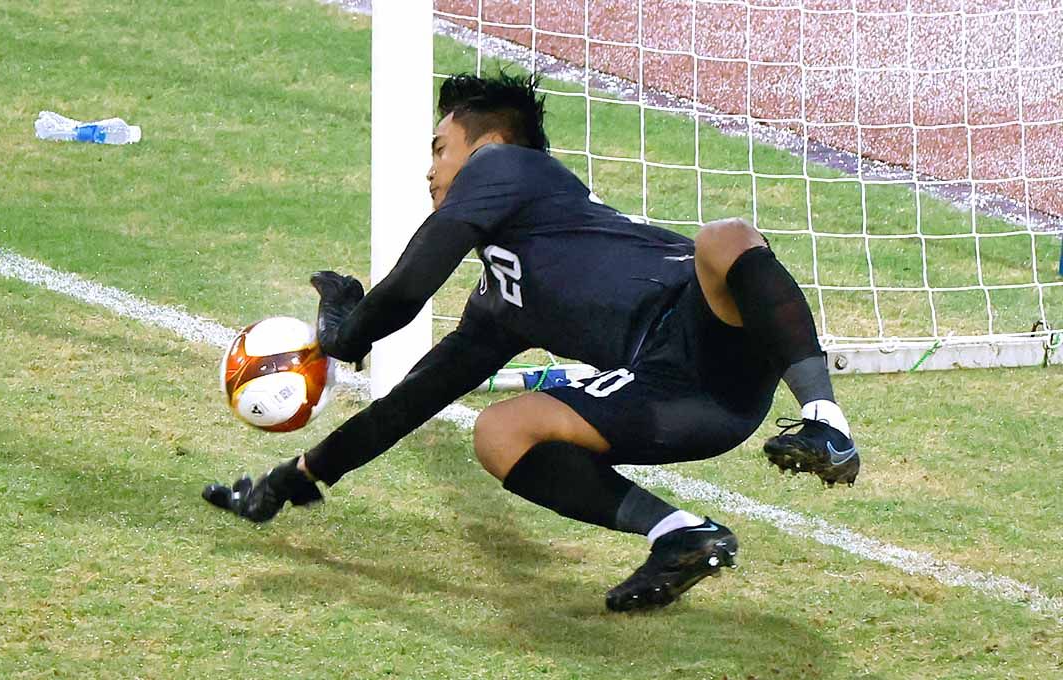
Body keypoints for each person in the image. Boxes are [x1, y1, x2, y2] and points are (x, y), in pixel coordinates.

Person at [203, 72, 860, 612]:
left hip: (711, 325)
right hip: (679, 403)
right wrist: (294, 478)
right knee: (497, 432)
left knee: (725, 237)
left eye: (440, 149)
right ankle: (681, 534)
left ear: (488, 145)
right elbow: (406, 406)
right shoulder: (499, 304)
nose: (431, 171)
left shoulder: (509, 164)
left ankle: (824, 422)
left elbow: (408, 288)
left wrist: (347, 334)